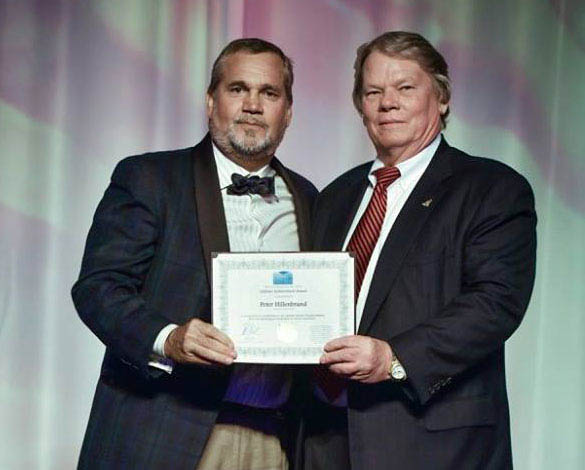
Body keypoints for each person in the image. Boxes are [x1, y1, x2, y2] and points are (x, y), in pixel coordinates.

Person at [72, 38, 317, 470]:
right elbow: (98, 288)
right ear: (210, 101)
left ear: (289, 112)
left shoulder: (312, 199)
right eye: (238, 89)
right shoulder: (150, 178)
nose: (253, 105)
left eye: (269, 93)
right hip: (164, 432)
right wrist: (168, 338)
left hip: (276, 440)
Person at [305, 31, 536, 470]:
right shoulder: (334, 198)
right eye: (373, 91)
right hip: (326, 441)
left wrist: (394, 359)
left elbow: (495, 304)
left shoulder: (492, 189)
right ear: (360, 106)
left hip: (434, 446)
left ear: (442, 99)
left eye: (405, 88)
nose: (387, 102)